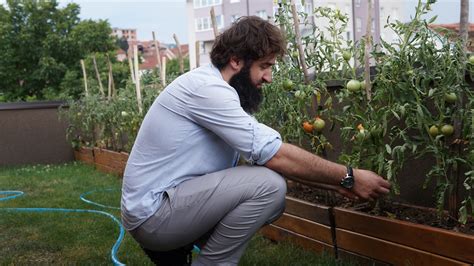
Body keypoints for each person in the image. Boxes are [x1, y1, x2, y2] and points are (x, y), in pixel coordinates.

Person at [121, 16, 391, 266]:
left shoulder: (214, 88)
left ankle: (178, 253)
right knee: (268, 187)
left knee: (271, 195)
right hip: (155, 216)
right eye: (264, 66)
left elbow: (266, 160)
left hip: (163, 209)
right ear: (236, 61)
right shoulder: (208, 90)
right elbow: (274, 155)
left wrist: (338, 184)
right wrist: (350, 176)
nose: (269, 77)